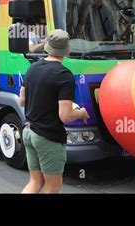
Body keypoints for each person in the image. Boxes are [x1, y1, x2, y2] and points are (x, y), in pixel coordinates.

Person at [19, 30, 89, 193]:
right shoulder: (64, 75)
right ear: (66, 50)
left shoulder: (32, 68)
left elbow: (22, 100)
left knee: (35, 182)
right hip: (48, 137)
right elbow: (64, 116)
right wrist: (81, 113)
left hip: (29, 132)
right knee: (53, 186)